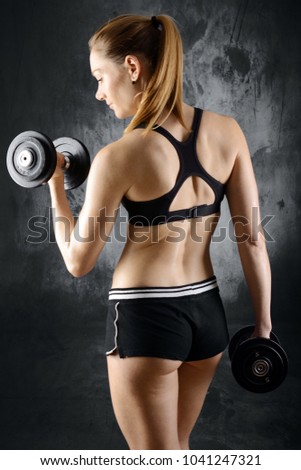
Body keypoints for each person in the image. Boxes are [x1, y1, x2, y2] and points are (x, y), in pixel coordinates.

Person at [48, 14, 272, 450]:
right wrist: (263, 325)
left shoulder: (120, 156)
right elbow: (252, 239)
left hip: (148, 321)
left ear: (132, 67)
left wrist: (55, 187)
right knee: (178, 450)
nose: (98, 93)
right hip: (208, 317)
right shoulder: (228, 131)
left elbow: (78, 262)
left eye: (100, 77)